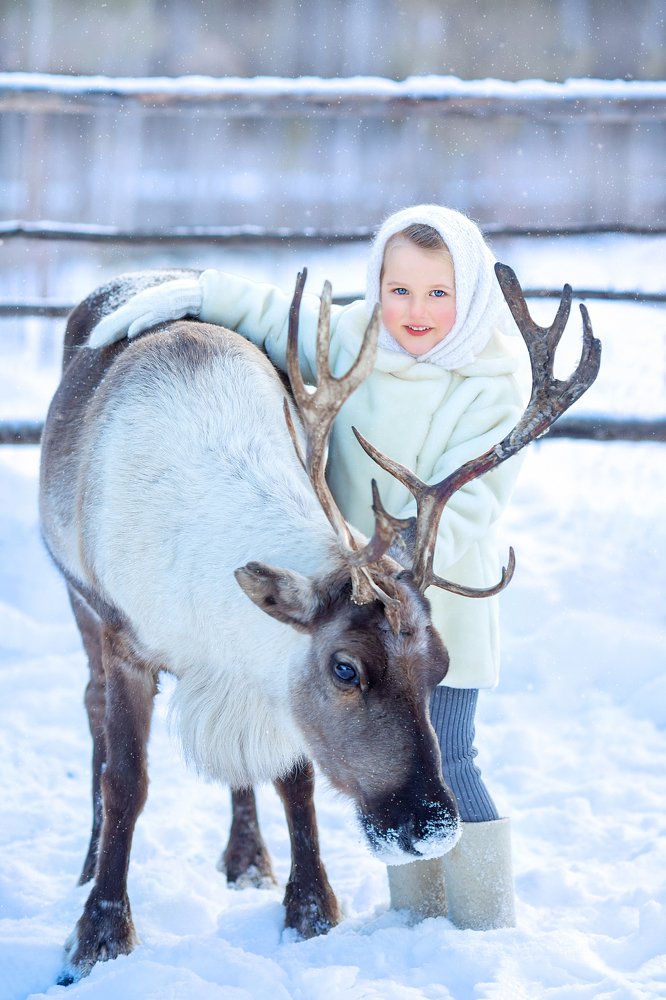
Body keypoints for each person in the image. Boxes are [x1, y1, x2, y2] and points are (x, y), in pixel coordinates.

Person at [89, 204, 529, 931]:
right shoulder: (356, 338)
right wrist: (196, 292)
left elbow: (474, 506)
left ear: (472, 294)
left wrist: (390, 558)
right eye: (400, 291)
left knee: (446, 752)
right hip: (339, 588)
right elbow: (274, 314)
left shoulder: (494, 382)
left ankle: (484, 919)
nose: (415, 312)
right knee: (385, 749)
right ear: (376, 289)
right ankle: (419, 917)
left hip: (435, 603)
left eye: (439, 294)